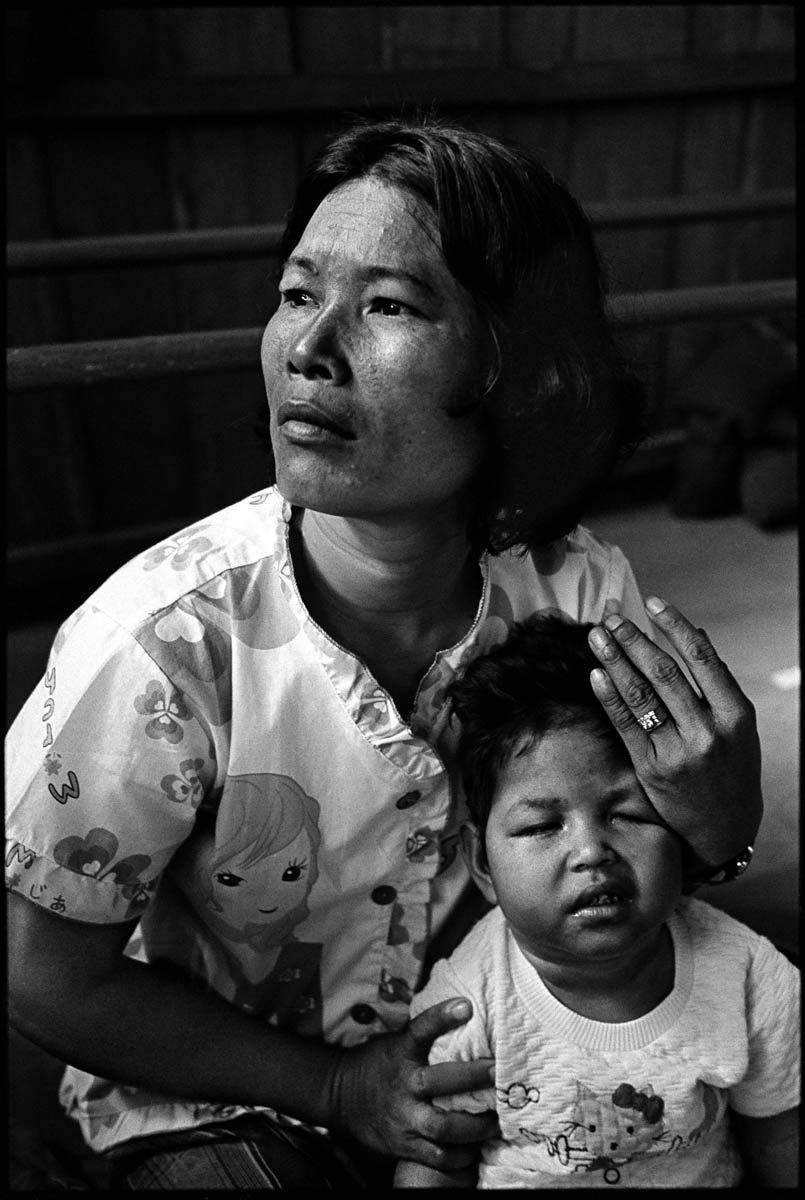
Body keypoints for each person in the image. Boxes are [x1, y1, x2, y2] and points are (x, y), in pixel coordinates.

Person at [6, 116, 763, 1190]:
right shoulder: (165, 645)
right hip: (219, 1095)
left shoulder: (578, 598)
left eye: (388, 306)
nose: (308, 350)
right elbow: (41, 977)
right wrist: (333, 1087)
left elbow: (640, 861)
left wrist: (721, 822)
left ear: (516, 369)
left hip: (507, 1064)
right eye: (297, 294)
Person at [393, 615, 799, 1188]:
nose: (591, 851)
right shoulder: (466, 1006)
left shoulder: (750, 976)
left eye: (626, 815)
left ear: (683, 832)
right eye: (542, 826)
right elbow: (433, 1160)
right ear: (482, 863)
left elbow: (780, 1141)